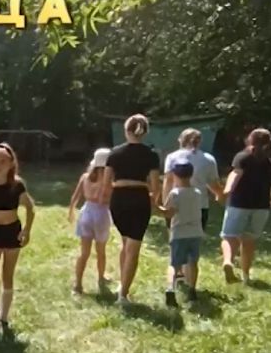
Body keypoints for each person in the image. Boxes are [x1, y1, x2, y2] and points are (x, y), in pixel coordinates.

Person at [101, 114, 160, 305]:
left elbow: (106, 183)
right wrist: (154, 201)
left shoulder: (115, 153)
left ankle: (122, 286)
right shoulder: (151, 155)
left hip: (118, 200)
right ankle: (123, 295)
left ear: (126, 131)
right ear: (145, 132)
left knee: (125, 243)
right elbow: (156, 186)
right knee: (133, 248)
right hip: (139, 199)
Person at [0, 143, 36, 329]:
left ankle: (4, 316)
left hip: (12, 232)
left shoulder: (17, 185)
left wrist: (26, 230)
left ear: (11, 164)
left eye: (3, 161)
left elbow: (30, 208)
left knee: (7, 274)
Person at [162, 128, 223, 281]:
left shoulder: (172, 157)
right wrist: (220, 195)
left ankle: (177, 272)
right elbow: (214, 184)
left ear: (180, 140)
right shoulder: (208, 159)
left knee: (176, 239)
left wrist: (165, 203)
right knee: (193, 240)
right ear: (199, 142)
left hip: (177, 203)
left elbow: (168, 181)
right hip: (199, 205)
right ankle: (190, 276)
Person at [219, 128, 271, 284]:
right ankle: (246, 276)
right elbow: (268, 185)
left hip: (239, 205)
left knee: (229, 236)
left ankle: (228, 261)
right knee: (249, 241)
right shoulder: (269, 162)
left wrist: (227, 190)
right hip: (261, 208)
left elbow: (236, 174)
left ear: (251, 139)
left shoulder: (243, 156)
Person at [158, 160, 204, 307]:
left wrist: (156, 206)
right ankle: (192, 290)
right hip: (195, 232)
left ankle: (170, 290)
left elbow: (168, 213)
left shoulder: (175, 193)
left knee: (174, 264)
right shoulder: (197, 193)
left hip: (179, 232)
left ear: (175, 175)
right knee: (193, 262)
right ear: (191, 175)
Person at [68, 148, 112, 295]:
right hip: (101, 214)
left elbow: (75, 196)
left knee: (84, 253)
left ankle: (78, 285)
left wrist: (71, 211)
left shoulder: (85, 177)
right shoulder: (109, 181)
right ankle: (101, 277)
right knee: (101, 251)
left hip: (86, 213)